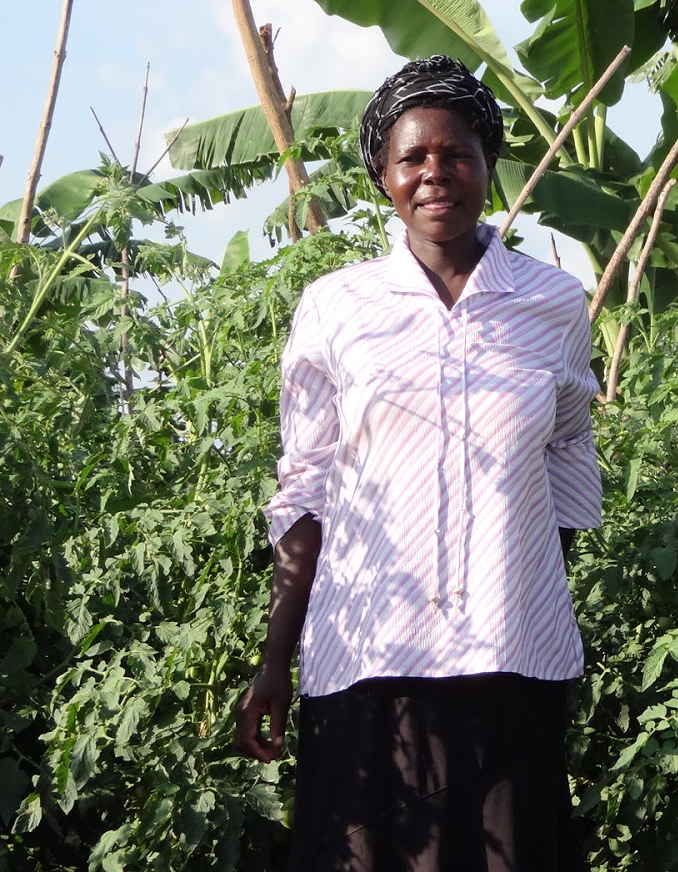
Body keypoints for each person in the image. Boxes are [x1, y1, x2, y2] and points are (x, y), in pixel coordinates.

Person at [234, 54, 601, 872]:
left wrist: (523, 590)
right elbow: (306, 488)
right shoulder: (338, 307)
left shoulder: (552, 304)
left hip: (512, 663)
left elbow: (570, 460)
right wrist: (273, 661)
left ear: (489, 166)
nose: (437, 175)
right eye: (414, 159)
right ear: (382, 174)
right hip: (370, 664)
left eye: (458, 155)